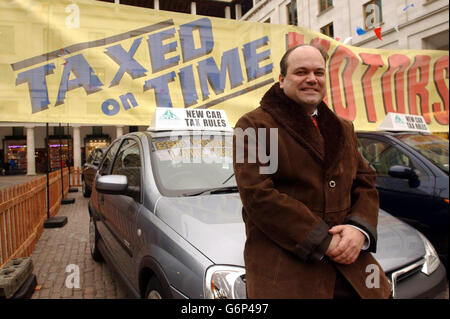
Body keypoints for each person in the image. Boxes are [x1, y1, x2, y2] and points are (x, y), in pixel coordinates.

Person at [233, 44, 391, 299]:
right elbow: (258, 195)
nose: (311, 79)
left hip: (350, 266)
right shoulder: (254, 125)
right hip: (287, 271)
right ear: (282, 80)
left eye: (318, 73)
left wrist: (358, 230)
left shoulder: (343, 127)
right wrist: (323, 240)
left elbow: (365, 181)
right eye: (301, 72)